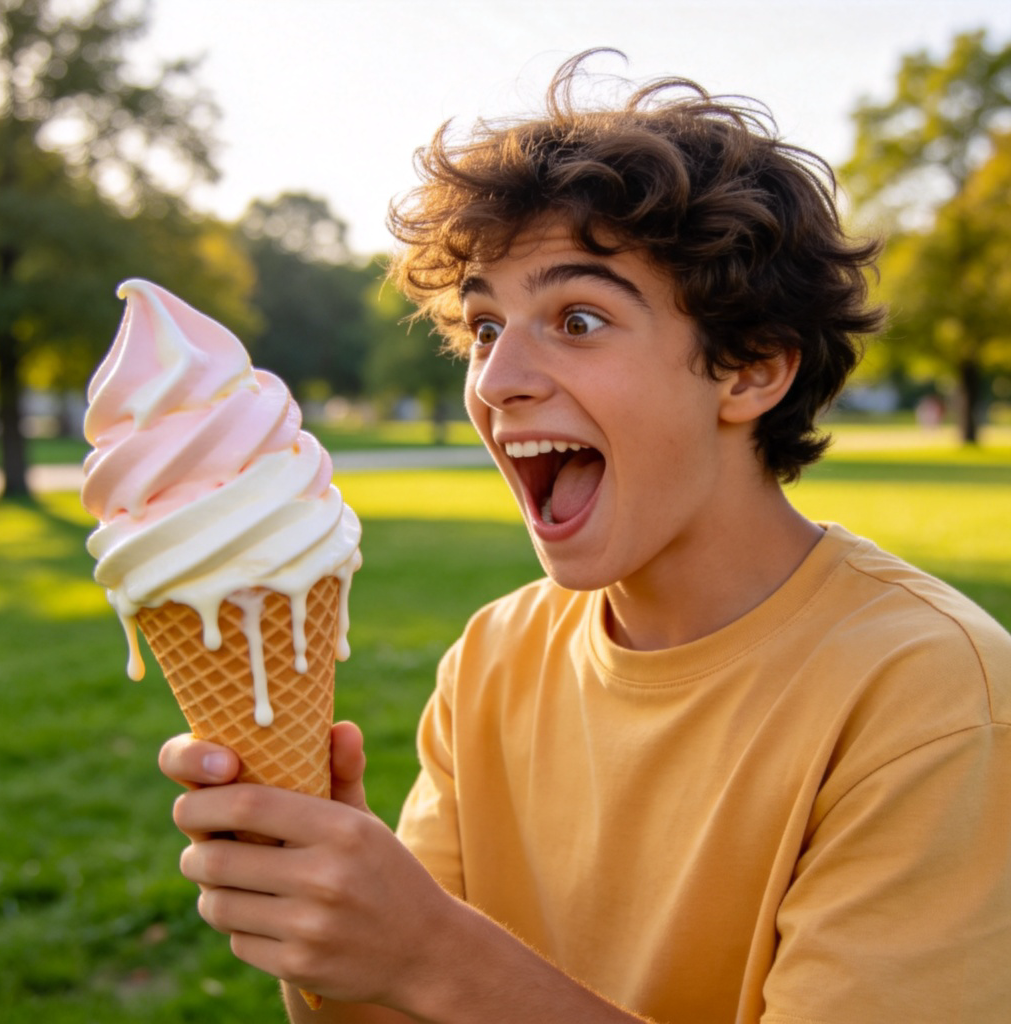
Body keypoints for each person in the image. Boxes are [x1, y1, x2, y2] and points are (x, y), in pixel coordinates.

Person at [159, 52, 1011, 1022]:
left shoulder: (933, 701)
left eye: (576, 316)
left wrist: (430, 949)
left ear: (749, 371)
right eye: (485, 326)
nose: (497, 379)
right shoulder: (493, 657)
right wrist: (327, 925)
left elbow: (438, 974)